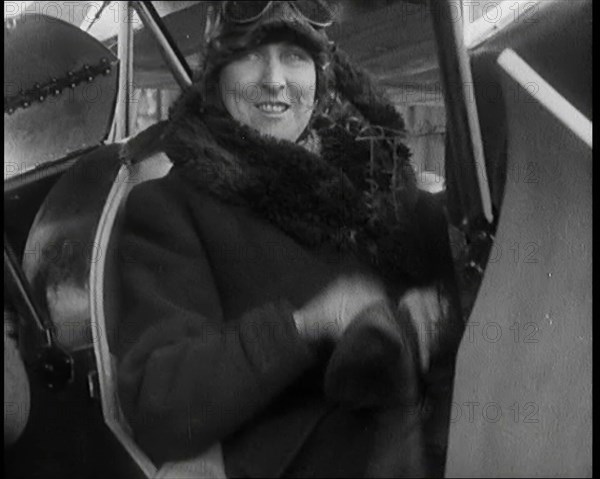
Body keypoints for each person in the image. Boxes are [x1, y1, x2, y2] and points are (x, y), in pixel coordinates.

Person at [115, 1, 462, 477]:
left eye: (295, 56)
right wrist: (305, 325)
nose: (275, 79)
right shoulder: (172, 209)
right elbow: (159, 403)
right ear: (216, 73)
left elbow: (472, 264)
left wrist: (440, 306)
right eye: (252, 53)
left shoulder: (384, 189)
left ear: (321, 76)